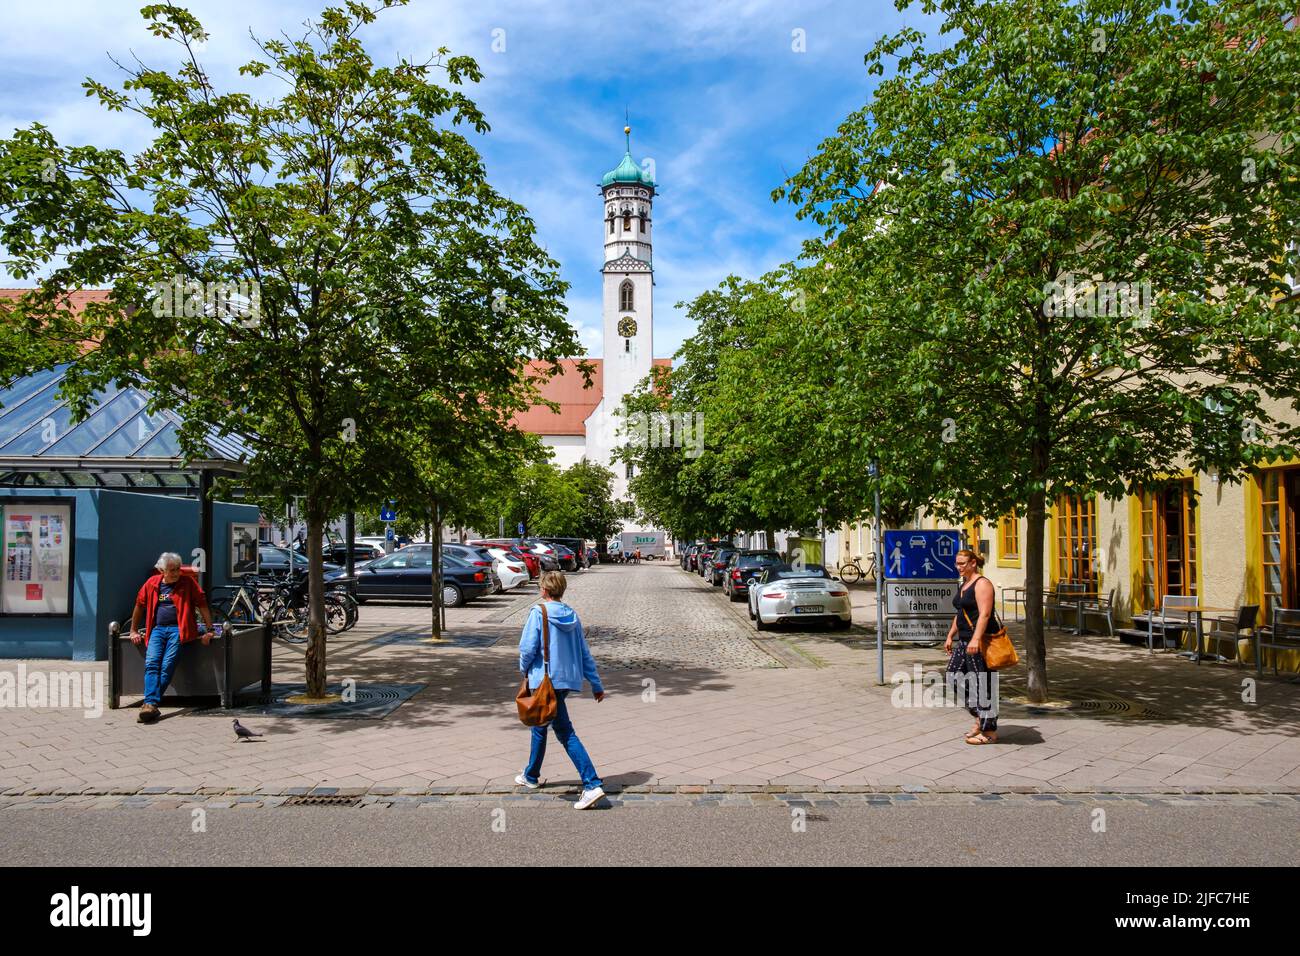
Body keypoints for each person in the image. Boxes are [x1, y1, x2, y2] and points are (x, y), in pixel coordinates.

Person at [517, 570, 606, 809]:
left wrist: (524, 670)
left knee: (564, 732)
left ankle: (591, 784)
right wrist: (596, 683)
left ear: (544, 590)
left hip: (544, 681)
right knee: (540, 725)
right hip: (566, 681)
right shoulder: (572, 615)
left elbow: (527, 649)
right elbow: (585, 653)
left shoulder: (539, 613)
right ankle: (531, 775)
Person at [130, 552, 216, 724]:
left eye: (177, 569)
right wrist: (133, 630)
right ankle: (151, 704)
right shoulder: (152, 584)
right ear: (162, 570)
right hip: (157, 630)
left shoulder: (187, 583)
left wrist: (210, 629)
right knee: (152, 663)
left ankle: (149, 703)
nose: (176, 573)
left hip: (179, 630)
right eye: (172, 570)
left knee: (167, 665)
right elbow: (139, 605)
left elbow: (202, 604)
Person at [944, 548, 1000, 745]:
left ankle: (989, 731)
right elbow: (960, 613)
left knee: (983, 683)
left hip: (980, 641)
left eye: (962, 563)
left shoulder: (982, 584)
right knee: (953, 675)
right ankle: (979, 716)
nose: (958, 567)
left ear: (973, 563)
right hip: (964, 641)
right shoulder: (965, 584)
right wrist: (951, 635)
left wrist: (976, 639)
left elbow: (985, 614)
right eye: (956, 563)